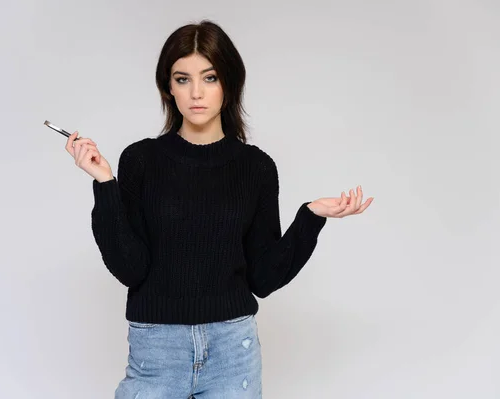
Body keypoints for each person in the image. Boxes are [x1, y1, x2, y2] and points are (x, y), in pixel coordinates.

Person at [65, 19, 373, 399]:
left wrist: (310, 217)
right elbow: (131, 268)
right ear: (168, 87)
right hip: (157, 351)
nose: (196, 92)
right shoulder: (140, 160)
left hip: (233, 351)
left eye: (209, 77)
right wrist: (104, 185)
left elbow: (262, 278)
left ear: (229, 84)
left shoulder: (256, 168)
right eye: (183, 79)